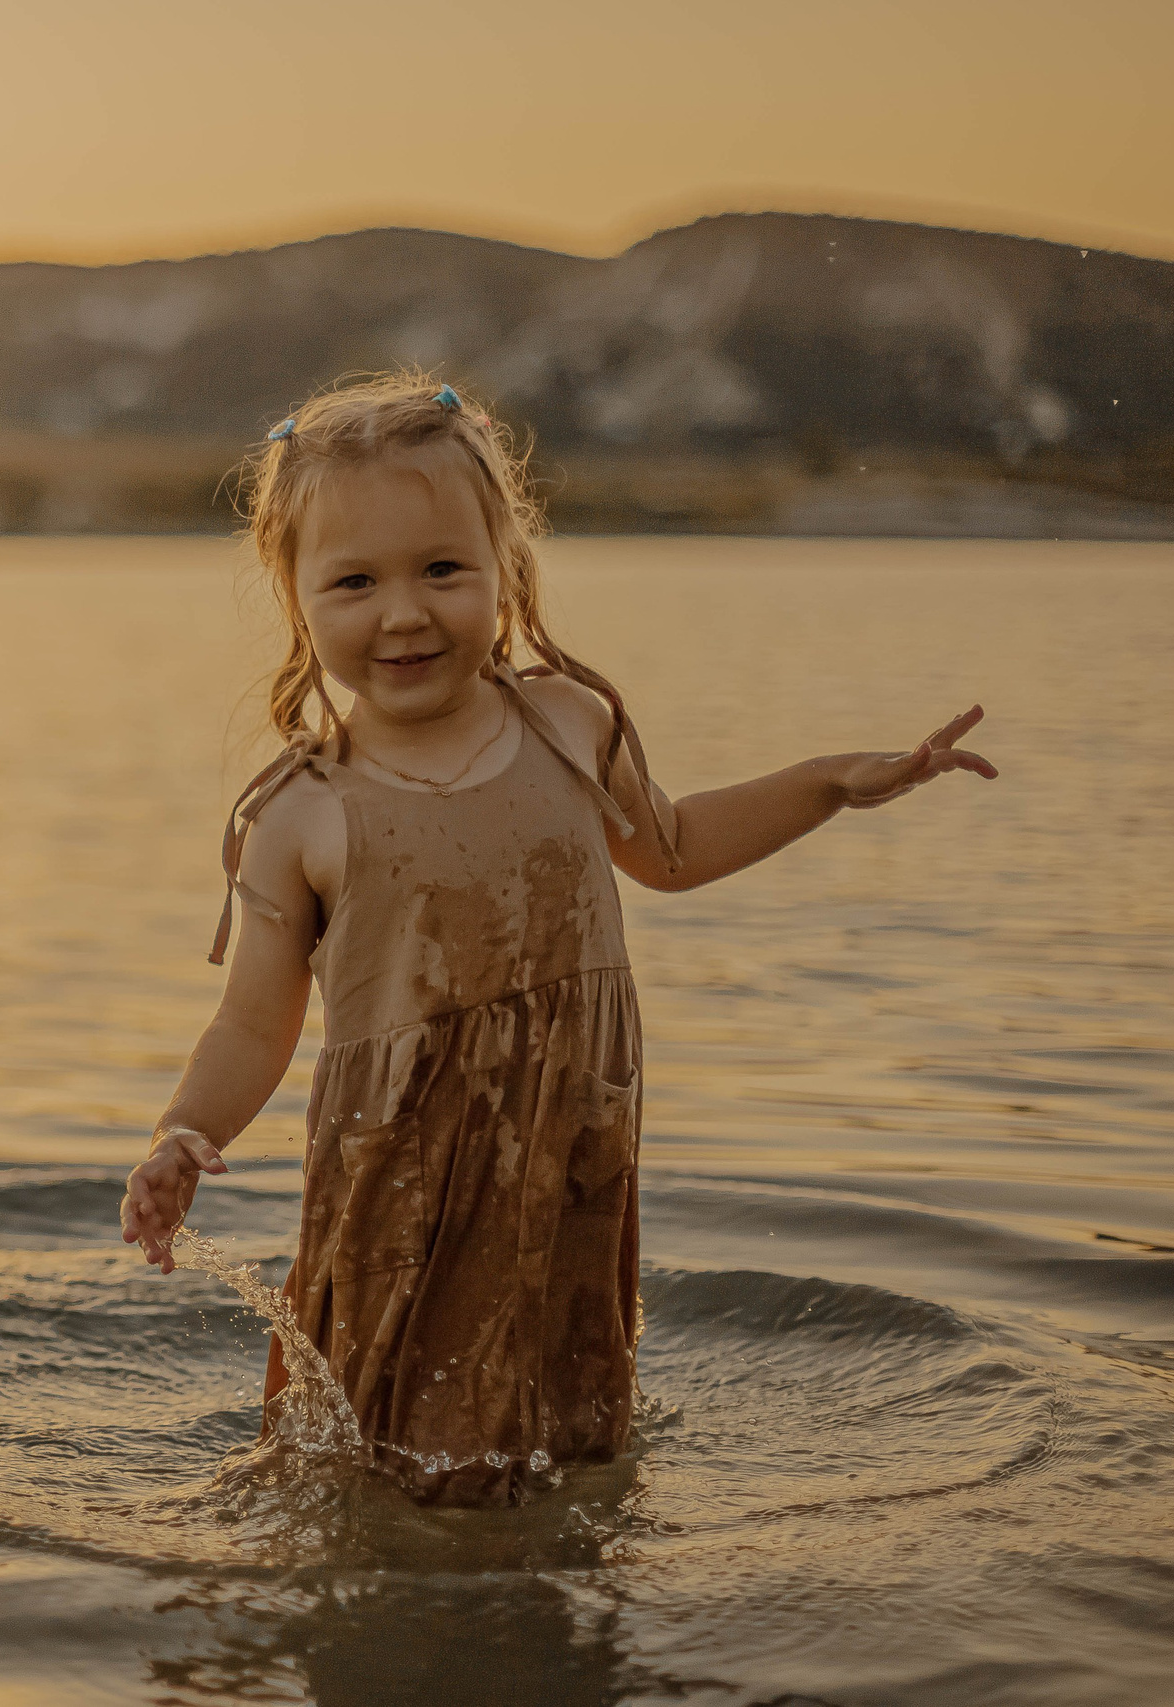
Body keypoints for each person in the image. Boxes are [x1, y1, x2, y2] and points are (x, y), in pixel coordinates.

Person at [116, 374, 996, 1507]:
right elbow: (251, 1021)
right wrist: (182, 1132)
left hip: (568, 1147)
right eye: (353, 582)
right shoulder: (299, 811)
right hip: (403, 1183)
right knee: (399, 1455)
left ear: (503, 567)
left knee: (569, 1434)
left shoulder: (568, 726)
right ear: (295, 599)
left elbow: (672, 848)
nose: (402, 612)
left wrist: (833, 781)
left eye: (441, 569)